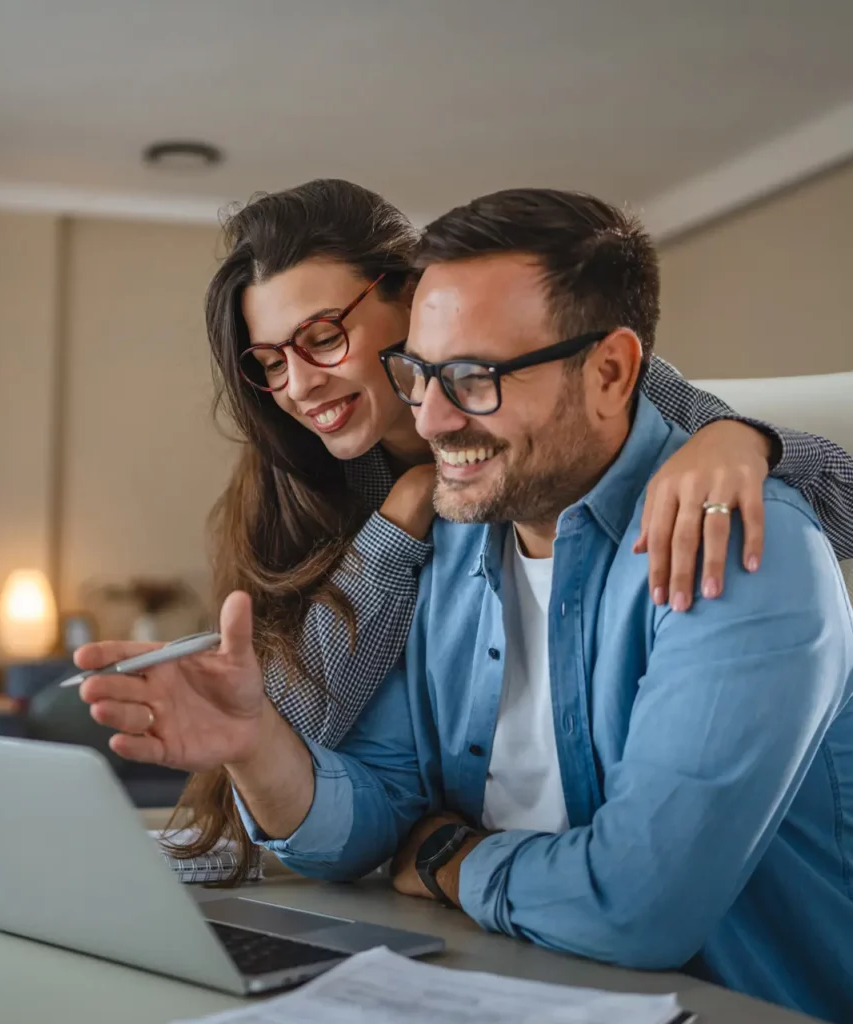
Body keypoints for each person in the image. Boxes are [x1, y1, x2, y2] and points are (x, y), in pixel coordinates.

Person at [76, 189, 853, 1023]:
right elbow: (369, 791)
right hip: (508, 974)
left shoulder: (714, 523)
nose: (432, 416)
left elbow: (635, 905)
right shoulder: (431, 522)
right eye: (420, 376)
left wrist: (449, 858)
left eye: (474, 377)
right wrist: (255, 742)